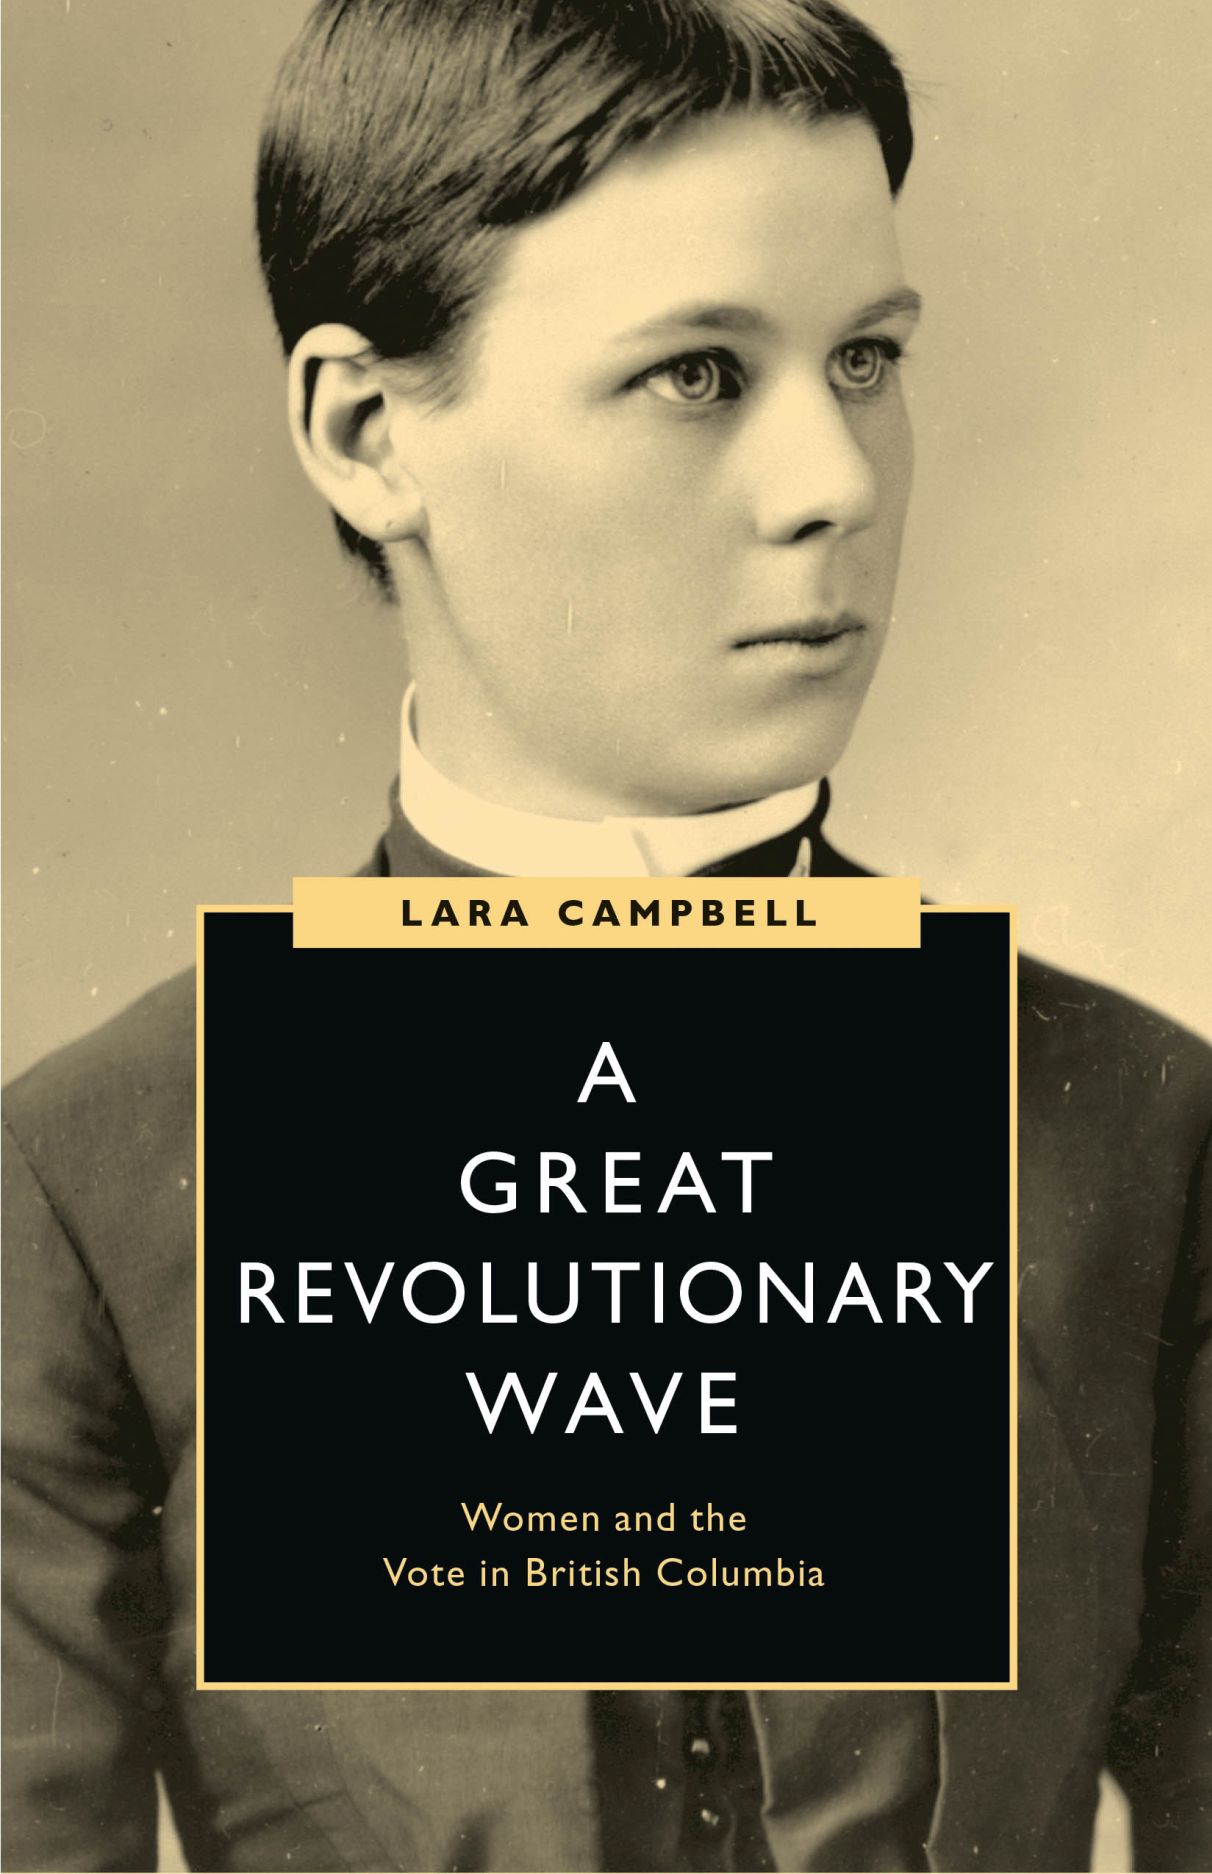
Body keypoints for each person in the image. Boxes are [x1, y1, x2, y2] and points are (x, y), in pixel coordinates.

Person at [3, 2, 1209, 1870]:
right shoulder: (102, 1173)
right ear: (368, 433)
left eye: (868, 359)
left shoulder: (1136, 1126)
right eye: (699, 374)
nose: (839, 479)